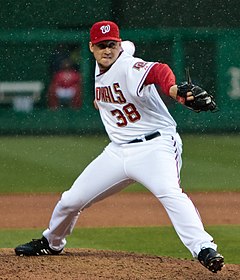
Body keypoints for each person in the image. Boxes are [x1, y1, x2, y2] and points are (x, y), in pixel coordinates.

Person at [15, 21, 224, 273]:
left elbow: (158, 70)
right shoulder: (103, 62)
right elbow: (114, 79)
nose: (108, 50)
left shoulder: (128, 66)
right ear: (91, 47)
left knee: (169, 192)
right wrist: (103, 103)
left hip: (154, 147)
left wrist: (174, 91)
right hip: (117, 151)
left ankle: (204, 248)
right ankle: (52, 242)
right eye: (102, 45)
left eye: (112, 45)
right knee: (71, 200)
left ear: (118, 44)